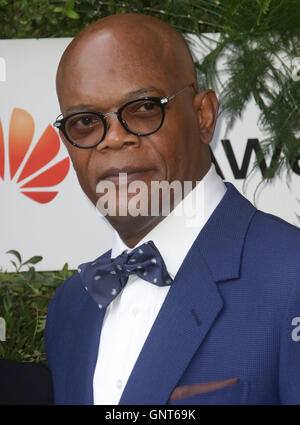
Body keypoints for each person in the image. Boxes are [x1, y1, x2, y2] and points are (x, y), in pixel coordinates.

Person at [45, 13, 300, 405]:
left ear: (203, 116)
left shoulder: (291, 276)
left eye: (144, 108)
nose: (113, 139)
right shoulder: (71, 308)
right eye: (85, 122)